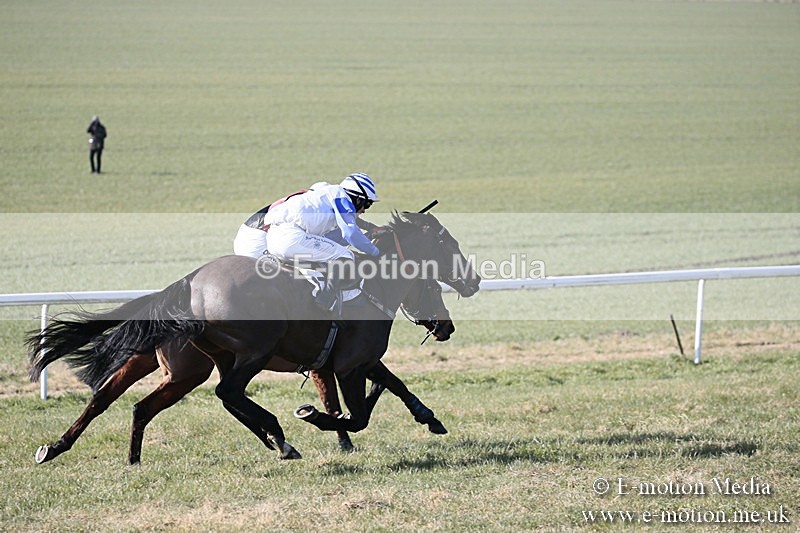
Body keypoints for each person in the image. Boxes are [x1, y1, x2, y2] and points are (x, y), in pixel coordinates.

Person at [261, 172, 381, 315]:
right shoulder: (341, 196)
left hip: (274, 239)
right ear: (357, 198)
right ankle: (325, 302)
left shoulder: (327, 196)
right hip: (291, 237)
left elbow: (341, 235)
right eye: (367, 204)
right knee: (346, 255)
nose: (364, 211)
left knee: (329, 257)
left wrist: (369, 230)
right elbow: (350, 233)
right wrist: (376, 252)